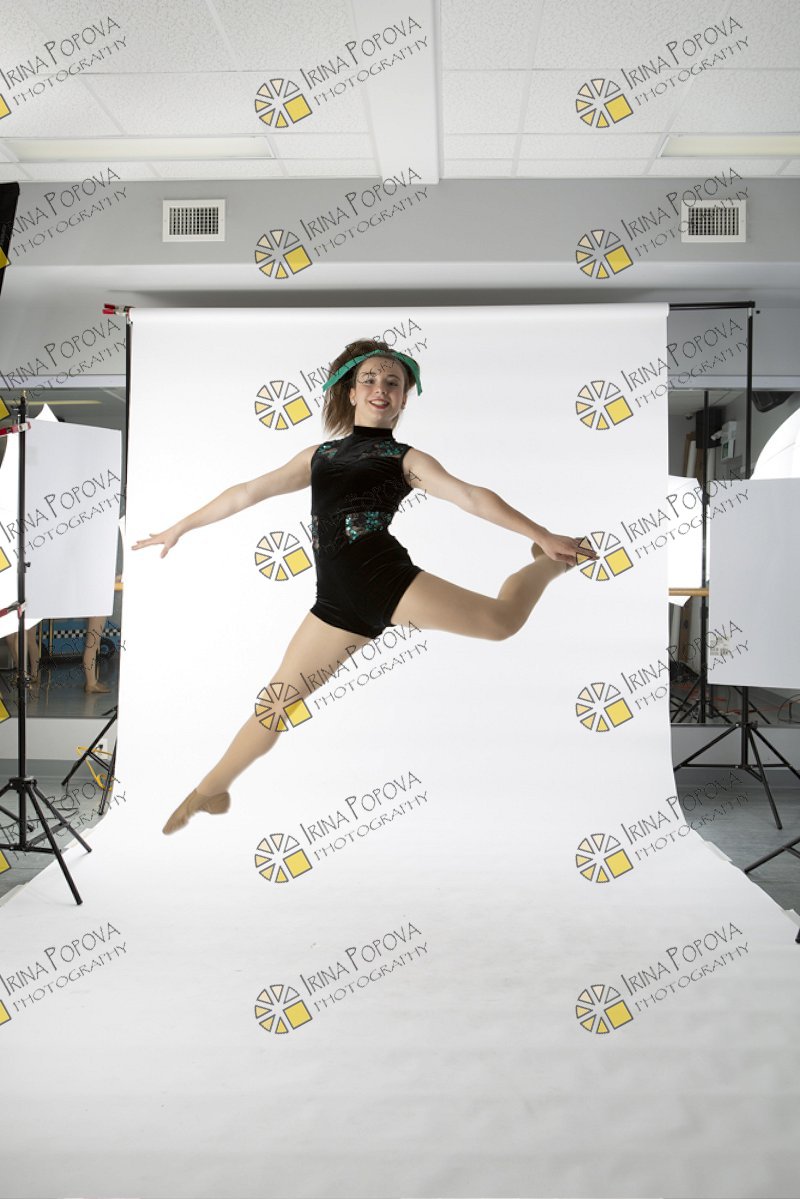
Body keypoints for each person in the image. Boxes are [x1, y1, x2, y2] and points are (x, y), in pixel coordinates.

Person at [132, 338, 598, 835]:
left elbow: (470, 497)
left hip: (383, 580)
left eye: (393, 383)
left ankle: (548, 565)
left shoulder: (405, 459)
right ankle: (209, 791)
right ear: (350, 392)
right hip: (335, 604)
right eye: (370, 379)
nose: (381, 388)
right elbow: (247, 492)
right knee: (277, 701)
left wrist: (541, 535)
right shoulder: (318, 456)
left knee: (502, 622)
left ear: (403, 399)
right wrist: (180, 526)